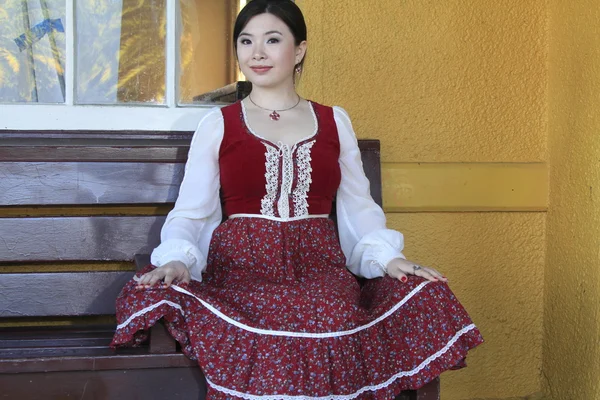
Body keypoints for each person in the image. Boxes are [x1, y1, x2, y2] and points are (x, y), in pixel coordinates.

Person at [111, 0, 483, 398]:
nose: (257, 53)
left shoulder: (334, 120)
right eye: (246, 41)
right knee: (238, 309)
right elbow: (193, 210)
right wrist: (177, 258)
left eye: (272, 40)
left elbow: (358, 204)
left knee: (404, 297)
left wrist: (387, 257)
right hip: (243, 268)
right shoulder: (217, 124)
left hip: (319, 267)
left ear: (299, 49)